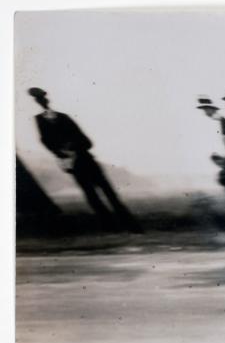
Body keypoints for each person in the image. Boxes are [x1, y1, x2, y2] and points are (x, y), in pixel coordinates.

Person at [27, 87, 142, 233]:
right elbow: (45, 141)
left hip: (85, 159)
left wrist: (73, 146)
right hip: (73, 163)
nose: (42, 102)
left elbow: (86, 141)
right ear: (37, 102)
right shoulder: (39, 120)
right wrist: (61, 152)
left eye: (43, 99)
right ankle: (111, 227)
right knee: (92, 195)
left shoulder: (64, 117)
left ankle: (130, 226)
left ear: (47, 100)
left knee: (108, 193)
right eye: (39, 100)